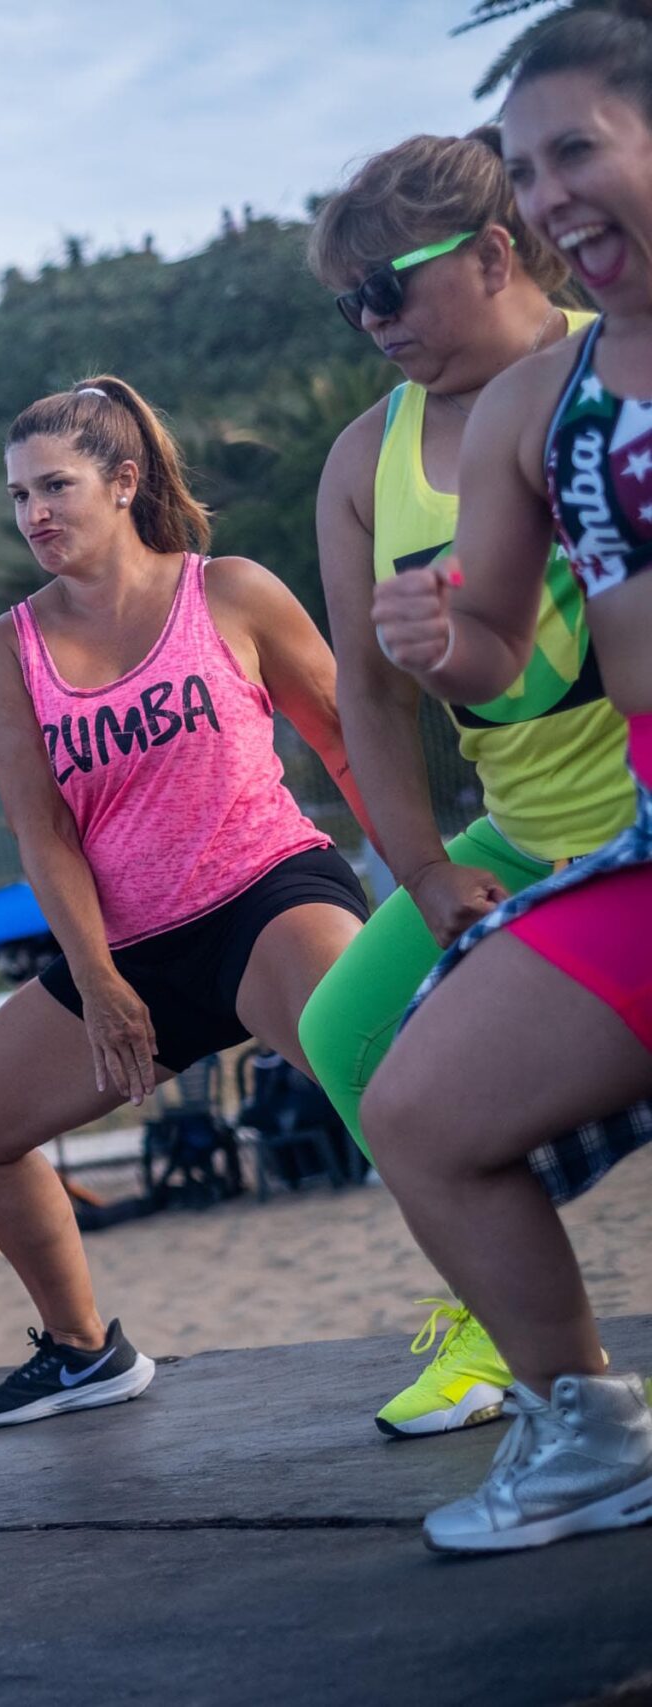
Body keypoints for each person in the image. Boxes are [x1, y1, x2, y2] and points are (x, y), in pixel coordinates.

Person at [0, 376, 374, 1430]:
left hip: (265, 895)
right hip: (126, 950)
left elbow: (349, 741)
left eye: (55, 486)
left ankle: (501, 1330)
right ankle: (85, 1352)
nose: (34, 513)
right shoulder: (10, 648)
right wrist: (95, 980)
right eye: (16, 497)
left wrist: (426, 884)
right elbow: (42, 832)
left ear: (123, 482)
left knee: (399, 1091)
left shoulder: (228, 592)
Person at [363, 2, 652, 1553]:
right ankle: (591, 1429)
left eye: (579, 152)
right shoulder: (544, 406)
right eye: (528, 169)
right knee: (415, 1099)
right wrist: (434, 641)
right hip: (643, 841)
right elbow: (488, 652)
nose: (551, 198)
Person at [295, 133, 627, 1441]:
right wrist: (425, 867)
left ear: (496, 251)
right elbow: (365, 697)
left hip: (635, 818)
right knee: (345, 1036)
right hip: (529, 834)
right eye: (347, 303)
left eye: (391, 286)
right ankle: (517, 1329)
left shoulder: (619, 365)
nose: (371, 323)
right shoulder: (361, 461)